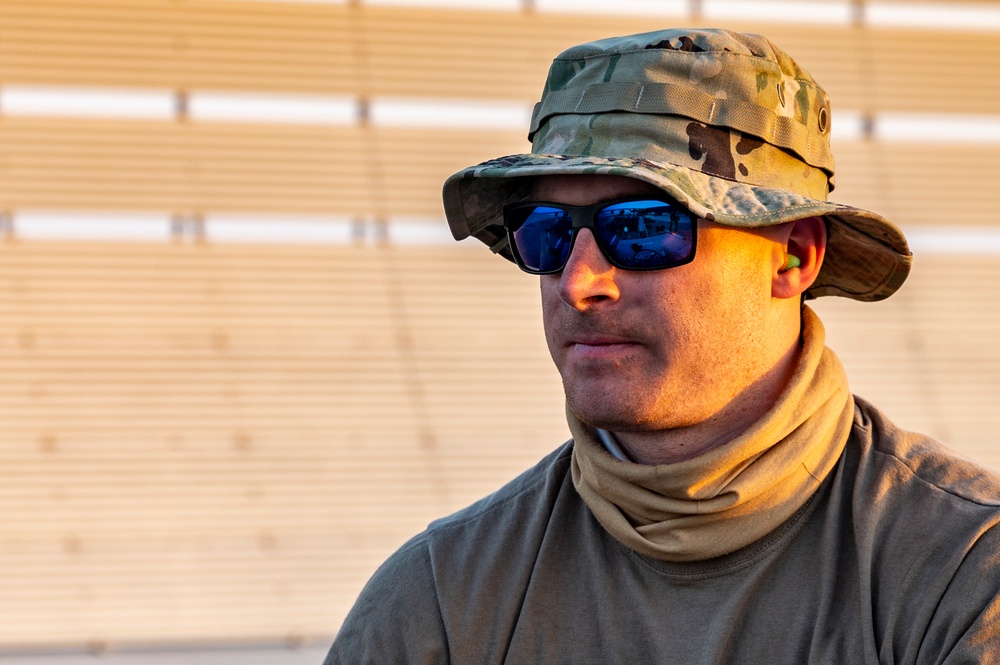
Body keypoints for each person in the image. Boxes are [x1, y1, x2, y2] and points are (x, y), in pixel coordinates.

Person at [325, 28, 1000, 663]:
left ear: (792, 254)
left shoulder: (960, 574)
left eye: (644, 227)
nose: (580, 282)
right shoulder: (441, 604)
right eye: (548, 232)